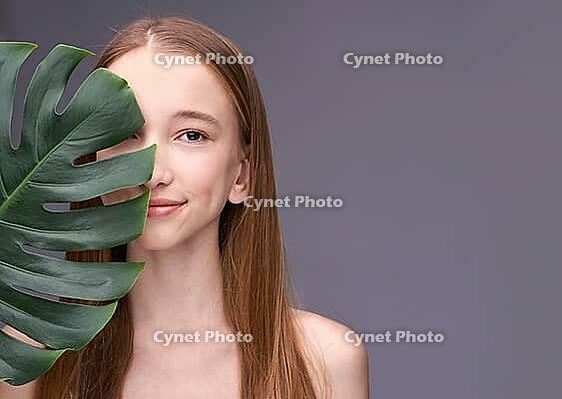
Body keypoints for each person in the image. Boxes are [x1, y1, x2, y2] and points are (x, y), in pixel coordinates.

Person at [0, 16, 369, 399]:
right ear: (92, 158)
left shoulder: (325, 360)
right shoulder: (30, 357)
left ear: (243, 176)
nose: (153, 172)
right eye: (126, 134)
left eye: (192, 135)